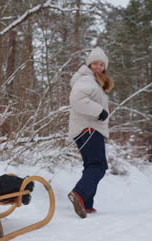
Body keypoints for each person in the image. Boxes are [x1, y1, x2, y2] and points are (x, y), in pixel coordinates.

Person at [67, 47, 114, 218]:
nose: (99, 67)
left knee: (91, 166)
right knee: (99, 166)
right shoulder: (87, 79)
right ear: (89, 64)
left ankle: (86, 203)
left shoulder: (93, 81)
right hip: (89, 128)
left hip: (89, 128)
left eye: (102, 64)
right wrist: (99, 111)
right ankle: (79, 194)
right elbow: (76, 100)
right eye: (95, 63)